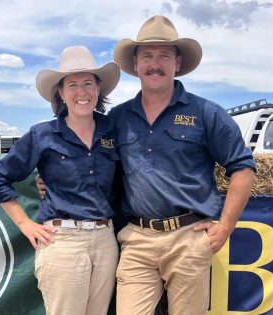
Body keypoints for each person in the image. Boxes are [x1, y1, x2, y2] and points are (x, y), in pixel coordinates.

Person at [109, 15, 256, 315]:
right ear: (135, 64)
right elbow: (90, 158)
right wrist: (48, 179)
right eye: (147, 56)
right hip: (137, 239)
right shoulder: (118, 118)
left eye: (164, 55)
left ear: (177, 63)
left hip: (189, 240)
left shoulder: (206, 113)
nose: (155, 64)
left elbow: (243, 168)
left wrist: (225, 227)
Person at [0, 45, 121, 315]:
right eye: (72, 84)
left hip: (106, 240)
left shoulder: (113, 130)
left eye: (88, 83)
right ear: (60, 91)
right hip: (63, 241)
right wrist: (25, 224)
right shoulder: (42, 135)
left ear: (98, 89)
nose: (81, 92)